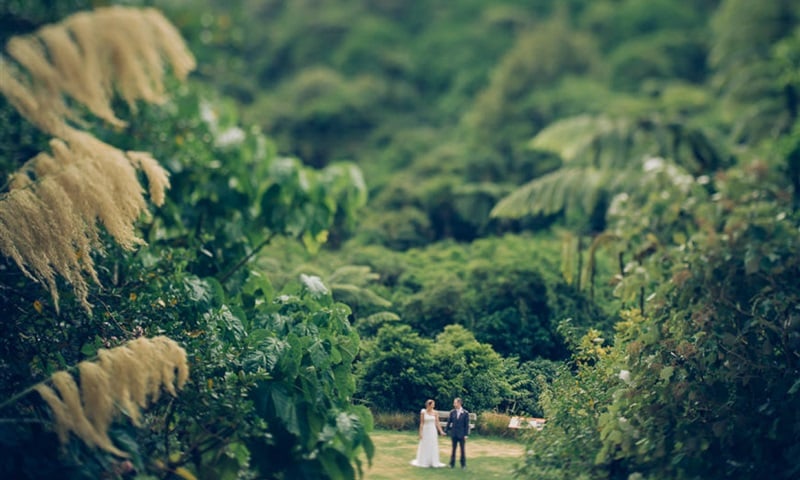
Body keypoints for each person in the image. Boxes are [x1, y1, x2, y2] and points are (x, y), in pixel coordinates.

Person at [410, 399, 447, 468]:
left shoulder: (435, 412)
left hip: (432, 430)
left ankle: (433, 461)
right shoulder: (423, 412)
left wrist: (441, 431)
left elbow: (437, 423)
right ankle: (424, 461)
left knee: (432, 444)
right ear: (428, 405)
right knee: (425, 444)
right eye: (432, 404)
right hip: (425, 430)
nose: (434, 405)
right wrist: (420, 433)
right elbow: (422, 423)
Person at [445, 397, 470, 469]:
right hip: (454, 433)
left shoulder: (465, 413)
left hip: (462, 434)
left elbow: (466, 425)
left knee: (462, 450)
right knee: (453, 449)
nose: (454, 404)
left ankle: (463, 464)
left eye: (455, 402)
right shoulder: (452, 412)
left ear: (459, 403)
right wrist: (445, 431)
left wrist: (466, 435)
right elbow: (449, 422)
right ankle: (451, 464)